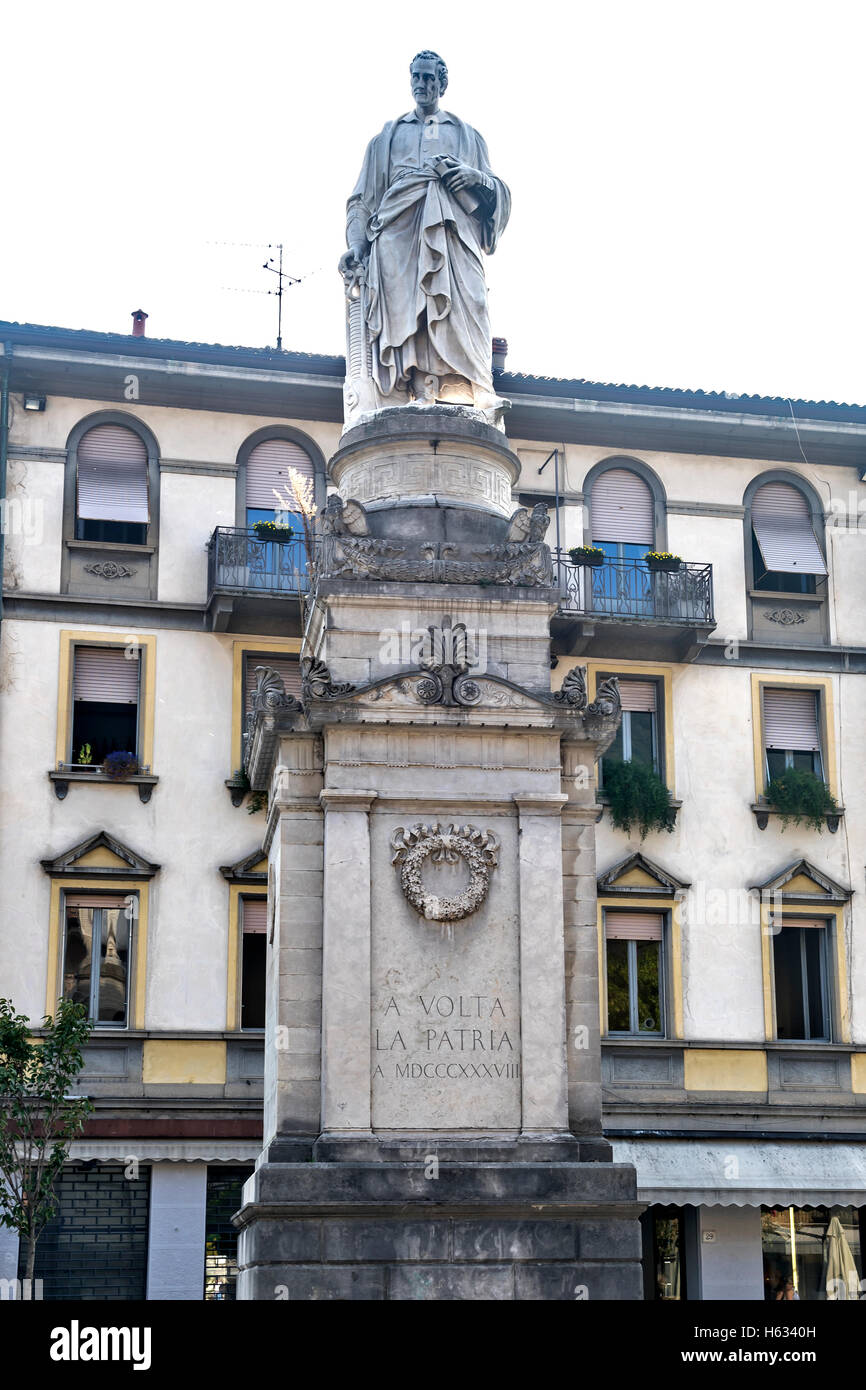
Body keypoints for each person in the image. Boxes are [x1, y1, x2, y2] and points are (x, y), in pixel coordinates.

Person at [338, 51, 510, 419]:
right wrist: (356, 242)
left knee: (472, 302)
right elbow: (362, 200)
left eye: (430, 78)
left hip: (452, 232)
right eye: (416, 76)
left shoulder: (467, 135)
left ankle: (476, 388)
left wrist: (475, 178)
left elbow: (498, 193)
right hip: (396, 236)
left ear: (442, 83)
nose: (422, 84)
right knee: (408, 315)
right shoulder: (387, 137)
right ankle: (412, 387)